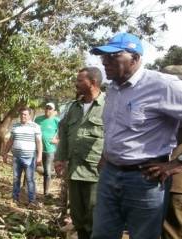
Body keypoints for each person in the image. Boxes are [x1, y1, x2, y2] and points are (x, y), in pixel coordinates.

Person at [90, 32, 182, 239]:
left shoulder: (164, 86)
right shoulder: (113, 88)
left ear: (135, 58)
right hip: (110, 175)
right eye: (104, 57)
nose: (105, 62)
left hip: (144, 180)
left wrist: (177, 163)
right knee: (101, 234)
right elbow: (116, 128)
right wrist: (107, 155)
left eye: (113, 57)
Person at [54, 67, 105, 239]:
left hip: (95, 173)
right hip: (74, 171)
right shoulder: (73, 107)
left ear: (93, 83)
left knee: (94, 217)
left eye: (80, 80)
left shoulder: (109, 106)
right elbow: (64, 134)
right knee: (78, 217)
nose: (76, 84)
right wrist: (59, 159)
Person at [2, 106, 42, 206]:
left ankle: (32, 201)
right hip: (16, 157)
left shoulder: (35, 126)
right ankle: (15, 198)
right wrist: (5, 153)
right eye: (21, 114)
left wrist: (39, 156)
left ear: (29, 115)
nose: (22, 116)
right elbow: (11, 140)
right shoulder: (15, 126)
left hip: (30, 157)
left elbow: (39, 142)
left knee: (30, 179)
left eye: (25, 114)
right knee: (16, 179)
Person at [34, 102, 60, 196]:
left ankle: (46, 192)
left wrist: (57, 140)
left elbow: (63, 133)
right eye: (46, 108)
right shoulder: (38, 119)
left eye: (50, 109)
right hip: (36, 149)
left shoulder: (57, 121)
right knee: (30, 168)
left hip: (49, 151)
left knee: (47, 172)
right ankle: (26, 189)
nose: (48, 110)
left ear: (54, 111)